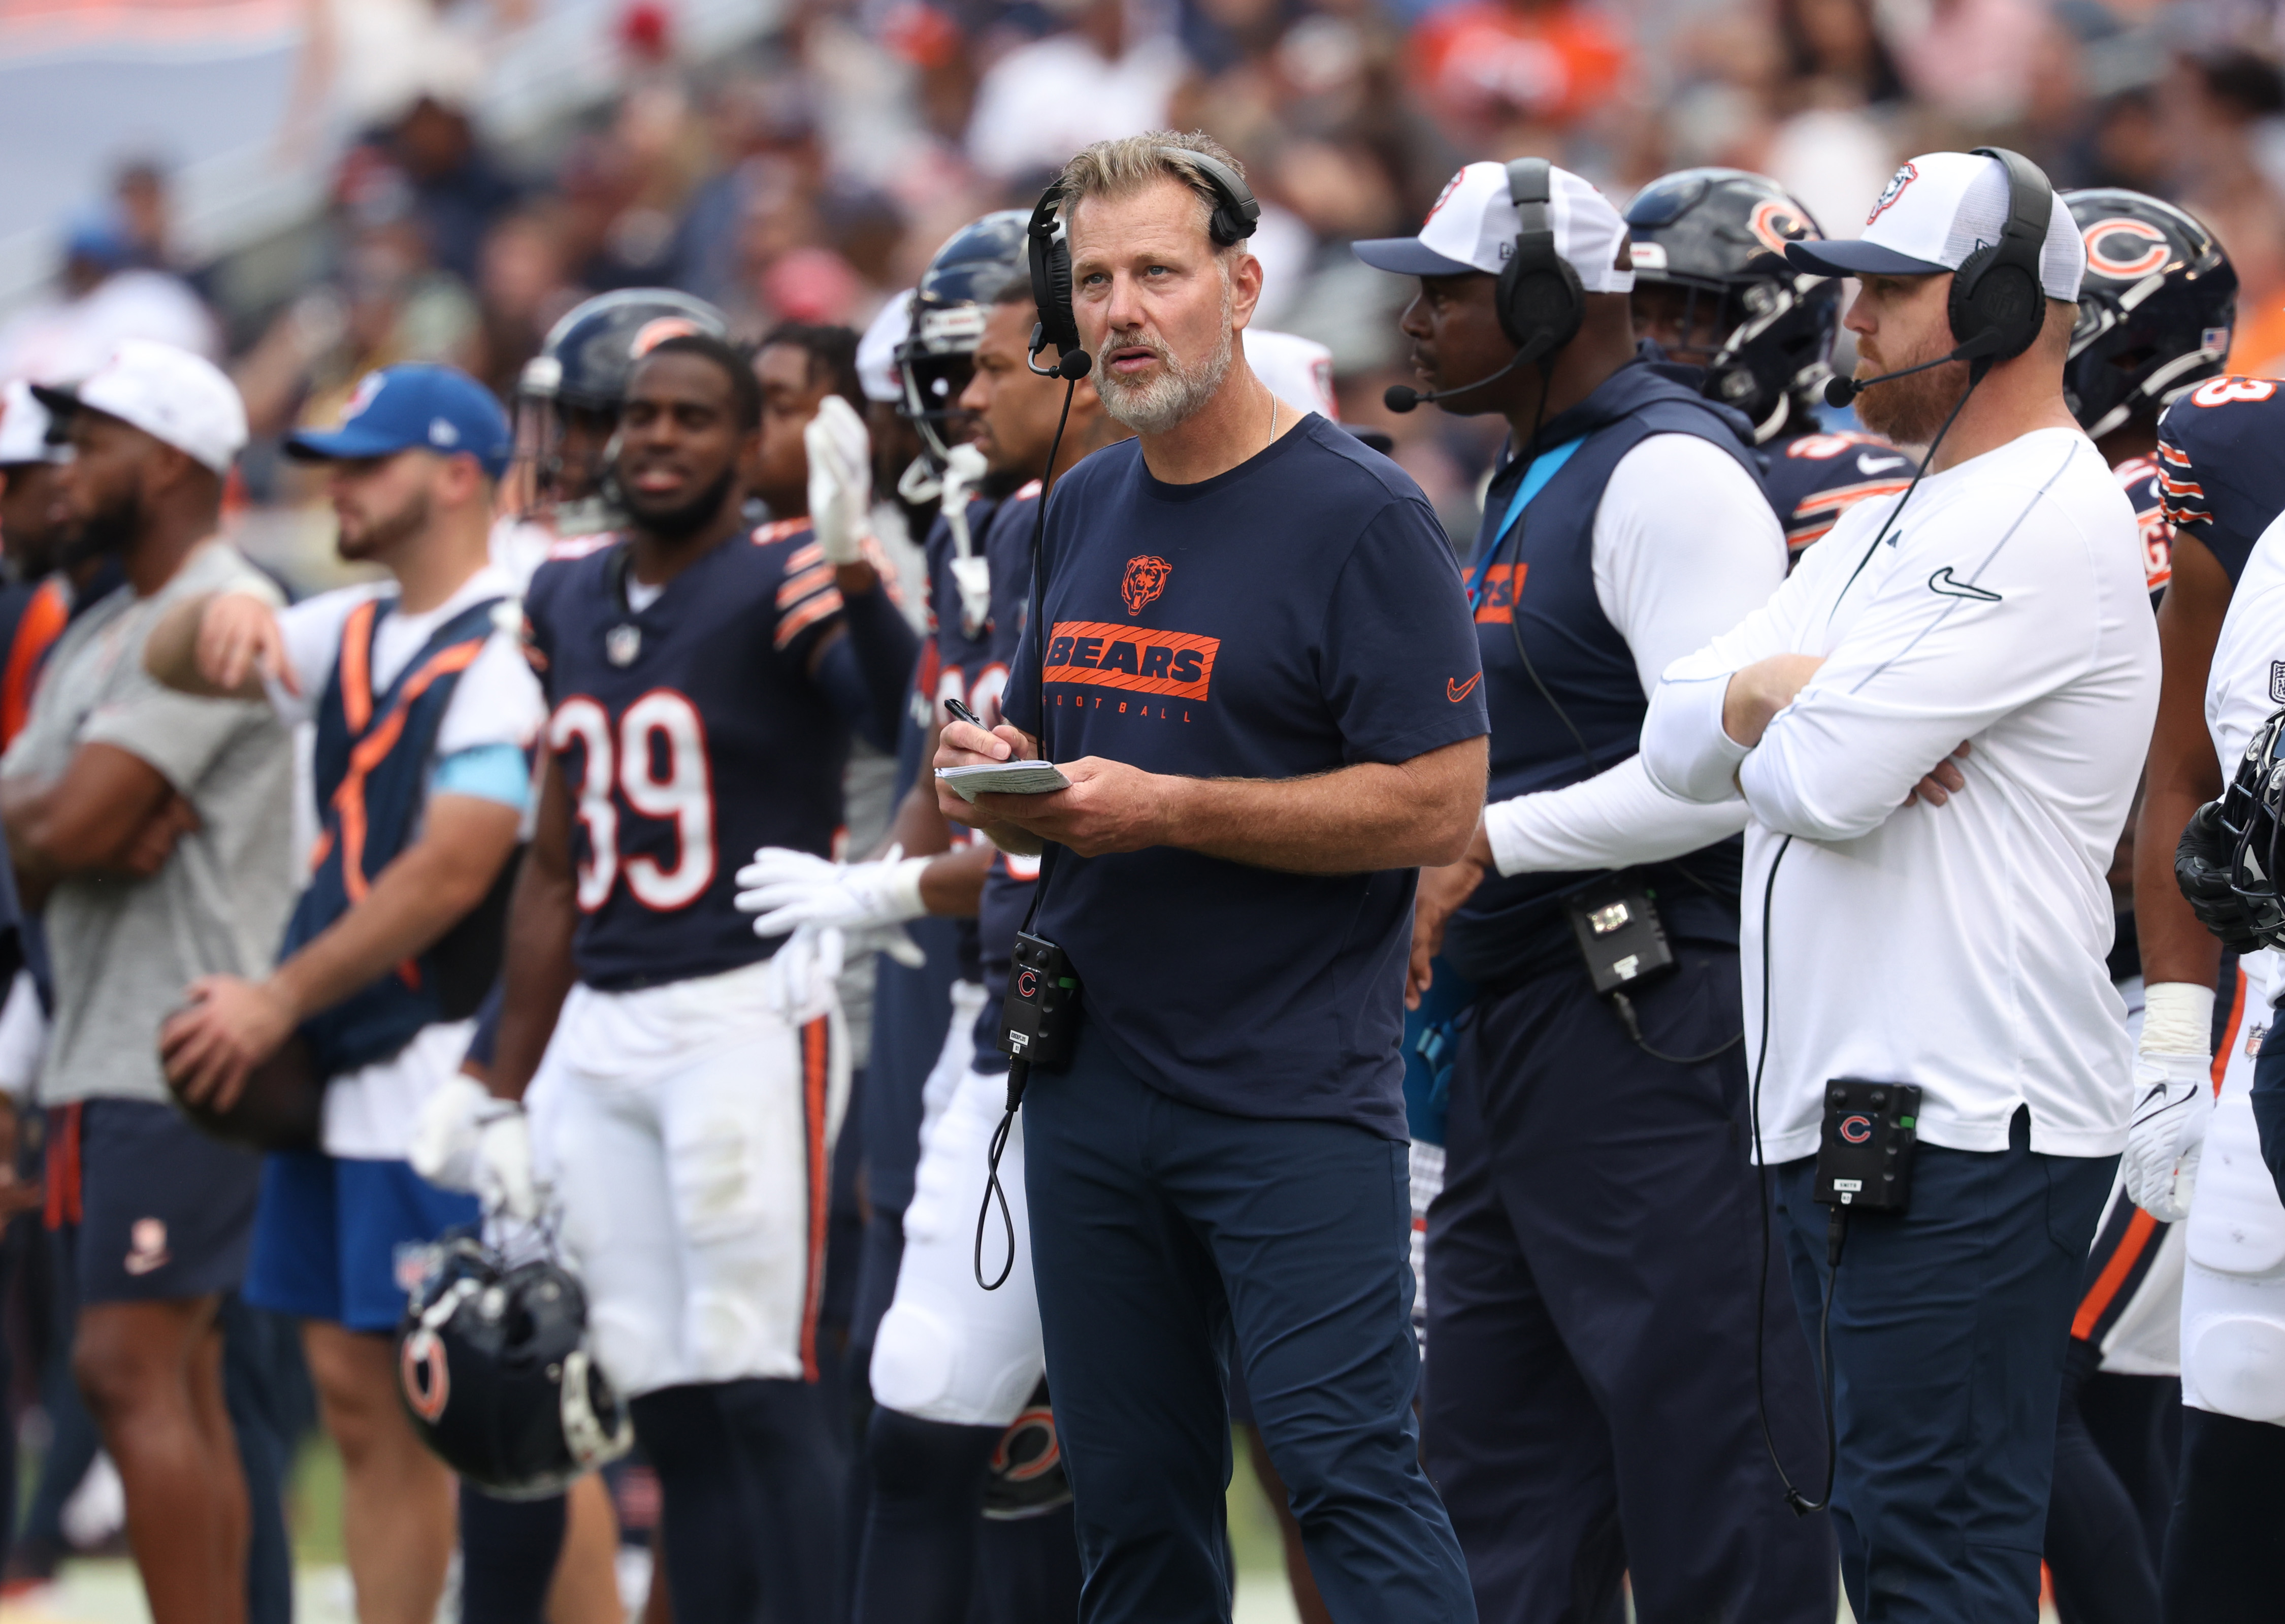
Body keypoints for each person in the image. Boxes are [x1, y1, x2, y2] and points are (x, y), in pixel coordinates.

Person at [934, 131, 1483, 1623]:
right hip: (1089, 1078)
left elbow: (1441, 802)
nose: (1120, 311)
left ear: (1240, 287)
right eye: (1093, 280)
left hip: (1288, 1082)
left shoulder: (1362, 517)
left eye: (1157, 274)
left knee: (1348, 1474)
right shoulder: (1061, 515)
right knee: (1131, 1502)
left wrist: (1167, 806)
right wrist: (1001, 766)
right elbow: (1083, 760)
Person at [1639, 149, 2159, 1622]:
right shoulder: (1878, 517)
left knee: (1936, 1550)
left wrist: (1773, 710)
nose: (1848, 316)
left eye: (1887, 286)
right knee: (1891, 1535)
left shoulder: (2051, 514)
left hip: (1968, 1113)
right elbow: (1670, 735)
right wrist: (1779, 693)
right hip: (1854, 1110)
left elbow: (1825, 782)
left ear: (1999, 305)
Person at [1358, 157, 1835, 1624]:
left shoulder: (1670, 472)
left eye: (1443, 290)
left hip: (1652, 1025)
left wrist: (1487, 844)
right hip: (1527, 1031)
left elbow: (1711, 770)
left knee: (1708, 1474)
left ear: (1549, 299)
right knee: (1496, 1477)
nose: (1416, 320)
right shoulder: (1540, 460)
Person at [417, 332, 916, 1622]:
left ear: (749, 441)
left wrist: (856, 567)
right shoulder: (564, 597)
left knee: (763, 1379)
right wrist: (498, 1076)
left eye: (694, 416)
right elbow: (548, 861)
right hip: (605, 1021)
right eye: (640, 415)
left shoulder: (785, 573)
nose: (656, 437)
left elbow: (893, 716)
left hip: (747, 1012)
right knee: (664, 1396)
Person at [749, 268, 1128, 1624]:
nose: (950, 402)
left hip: (1180, 1032)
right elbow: (947, 779)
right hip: (1007, 1012)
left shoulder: (1163, 519)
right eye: (940, 374)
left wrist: (884, 895)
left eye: (976, 369)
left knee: (1214, 1447)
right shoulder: (1000, 527)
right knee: (920, 1411)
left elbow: (1074, 815)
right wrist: (879, 886)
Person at [135, 364, 537, 1624]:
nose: (335, 485)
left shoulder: (514, 627)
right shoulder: (352, 623)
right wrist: (229, 602)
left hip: (445, 1058)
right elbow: (171, 654)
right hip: (350, 1059)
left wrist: (272, 996)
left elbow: (454, 866)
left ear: (457, 471)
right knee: (360, 1401)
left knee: (497, 1407)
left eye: (366, 461)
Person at [0, 340, 295, 1624]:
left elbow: (63, 832)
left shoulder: (204, 614)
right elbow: (46, 822)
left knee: (129, 1367)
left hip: (180, 1040)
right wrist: (55, 814)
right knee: (170, 1372)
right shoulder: (111, 621)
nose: (66, 472)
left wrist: (61, 814)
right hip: (117, 1036)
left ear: (170, 459)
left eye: (92, 442)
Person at [2042, 187, 2237, 1624]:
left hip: (2174, 985)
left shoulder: (2149, 495)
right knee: (2138, 1393)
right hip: (2120, 985)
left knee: (2031, 1360)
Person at [2134, 501, 2285, 1623]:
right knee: (2230, 1503)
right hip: (2269, 1051)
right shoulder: (2267, 538)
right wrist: (2179, 1041)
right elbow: (2187, 774)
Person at [1622, 167, 1909, 563]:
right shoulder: (1575, 456)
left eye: (1683, 322)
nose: (1646, 347)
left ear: (1782, 329)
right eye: (1634, 319)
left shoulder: (1827, 480)